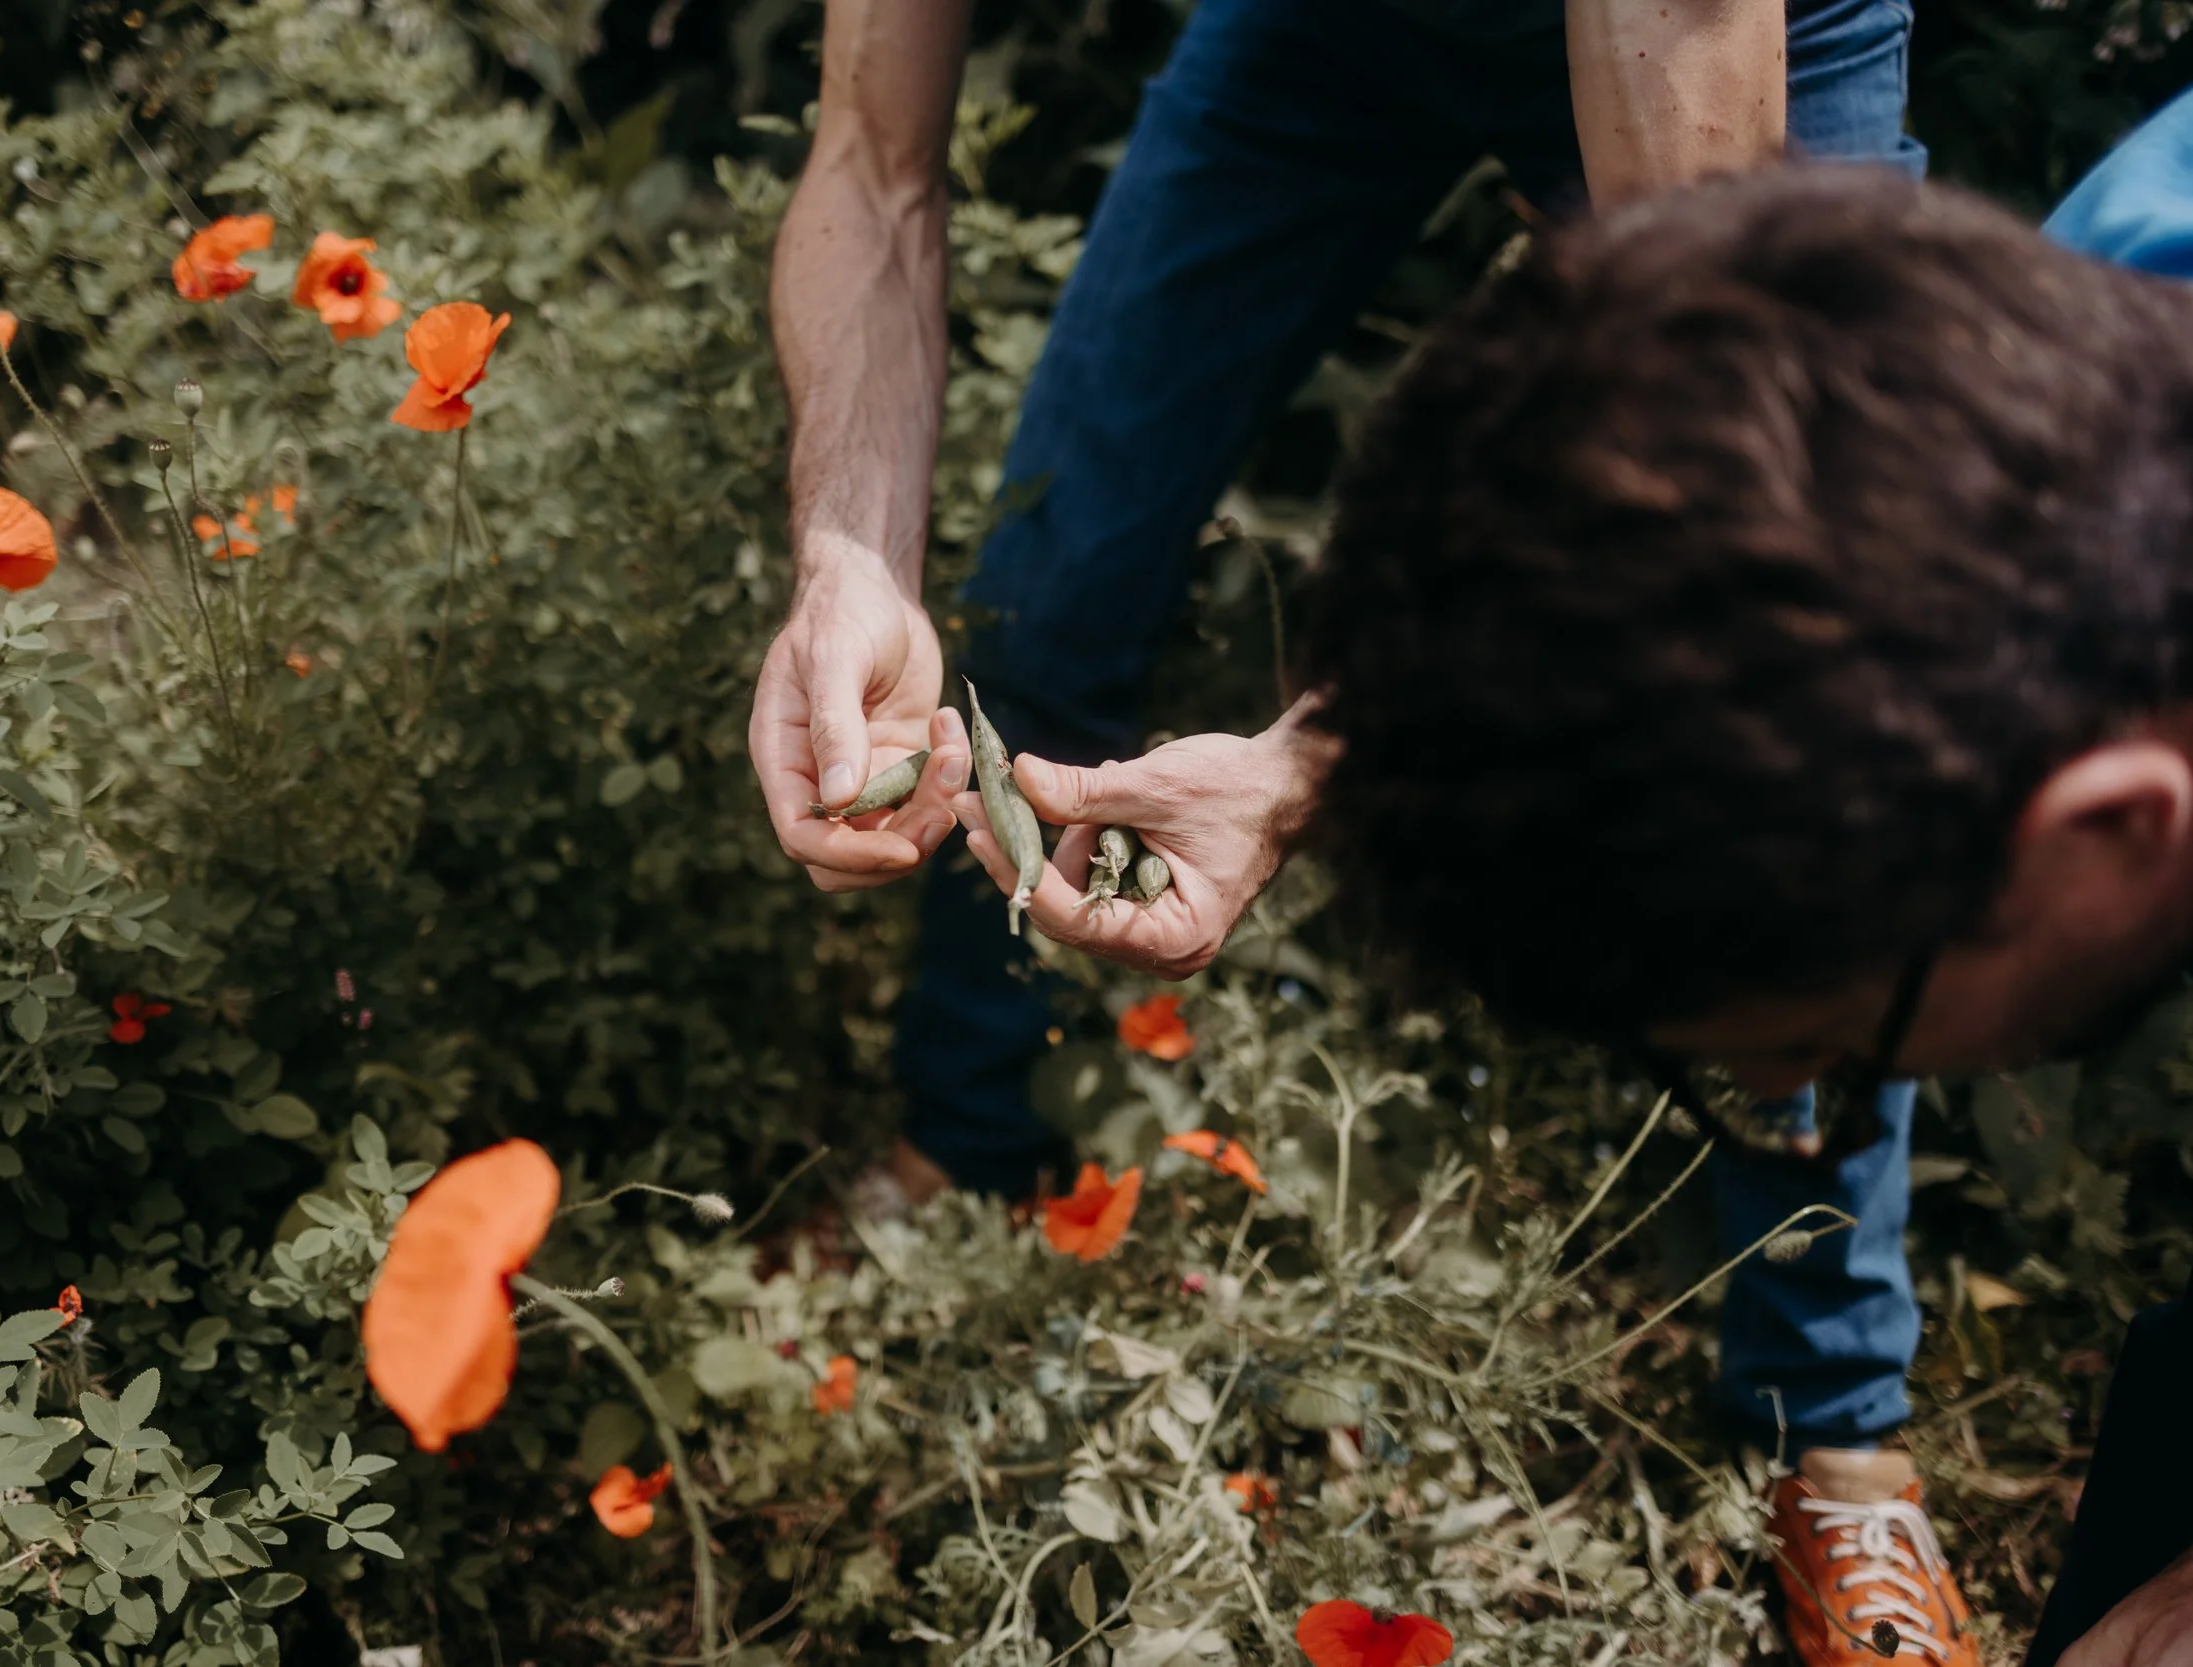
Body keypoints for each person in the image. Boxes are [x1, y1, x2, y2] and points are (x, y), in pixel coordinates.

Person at [751, 1, 1963, 1660]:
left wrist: (1327, 753)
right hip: (1319, 31)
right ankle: (963, 1142)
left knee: (1794, 676)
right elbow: (873, 169)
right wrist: (850, 561)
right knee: (1049, 584)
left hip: (1705, 38)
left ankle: (1834, 1424)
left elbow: (1704, 428)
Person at [960, 125, 2193, 1665]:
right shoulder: (2035, 373)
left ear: (2111, 831)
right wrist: (1311, 761)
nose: (1783, 1091)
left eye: (1819, 1034)